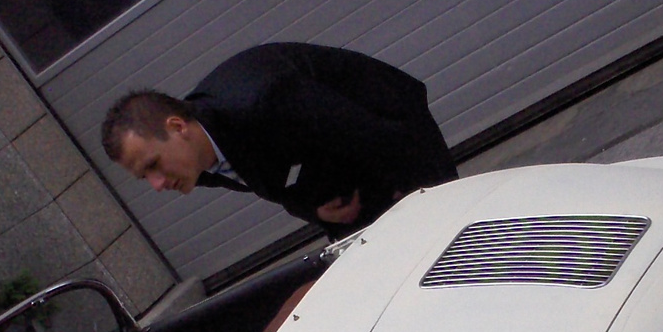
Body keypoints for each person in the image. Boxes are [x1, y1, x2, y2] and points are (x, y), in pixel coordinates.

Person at [101, 43, 457, 234]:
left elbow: (371, 135)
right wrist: (310, 208)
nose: (157, 184)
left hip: (395, 130)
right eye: (144, 177)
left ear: (178, 127)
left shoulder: (263, 101)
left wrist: (394, 199)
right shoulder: (195, 160)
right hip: (346, 179)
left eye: (153, 165)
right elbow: (272, 179)